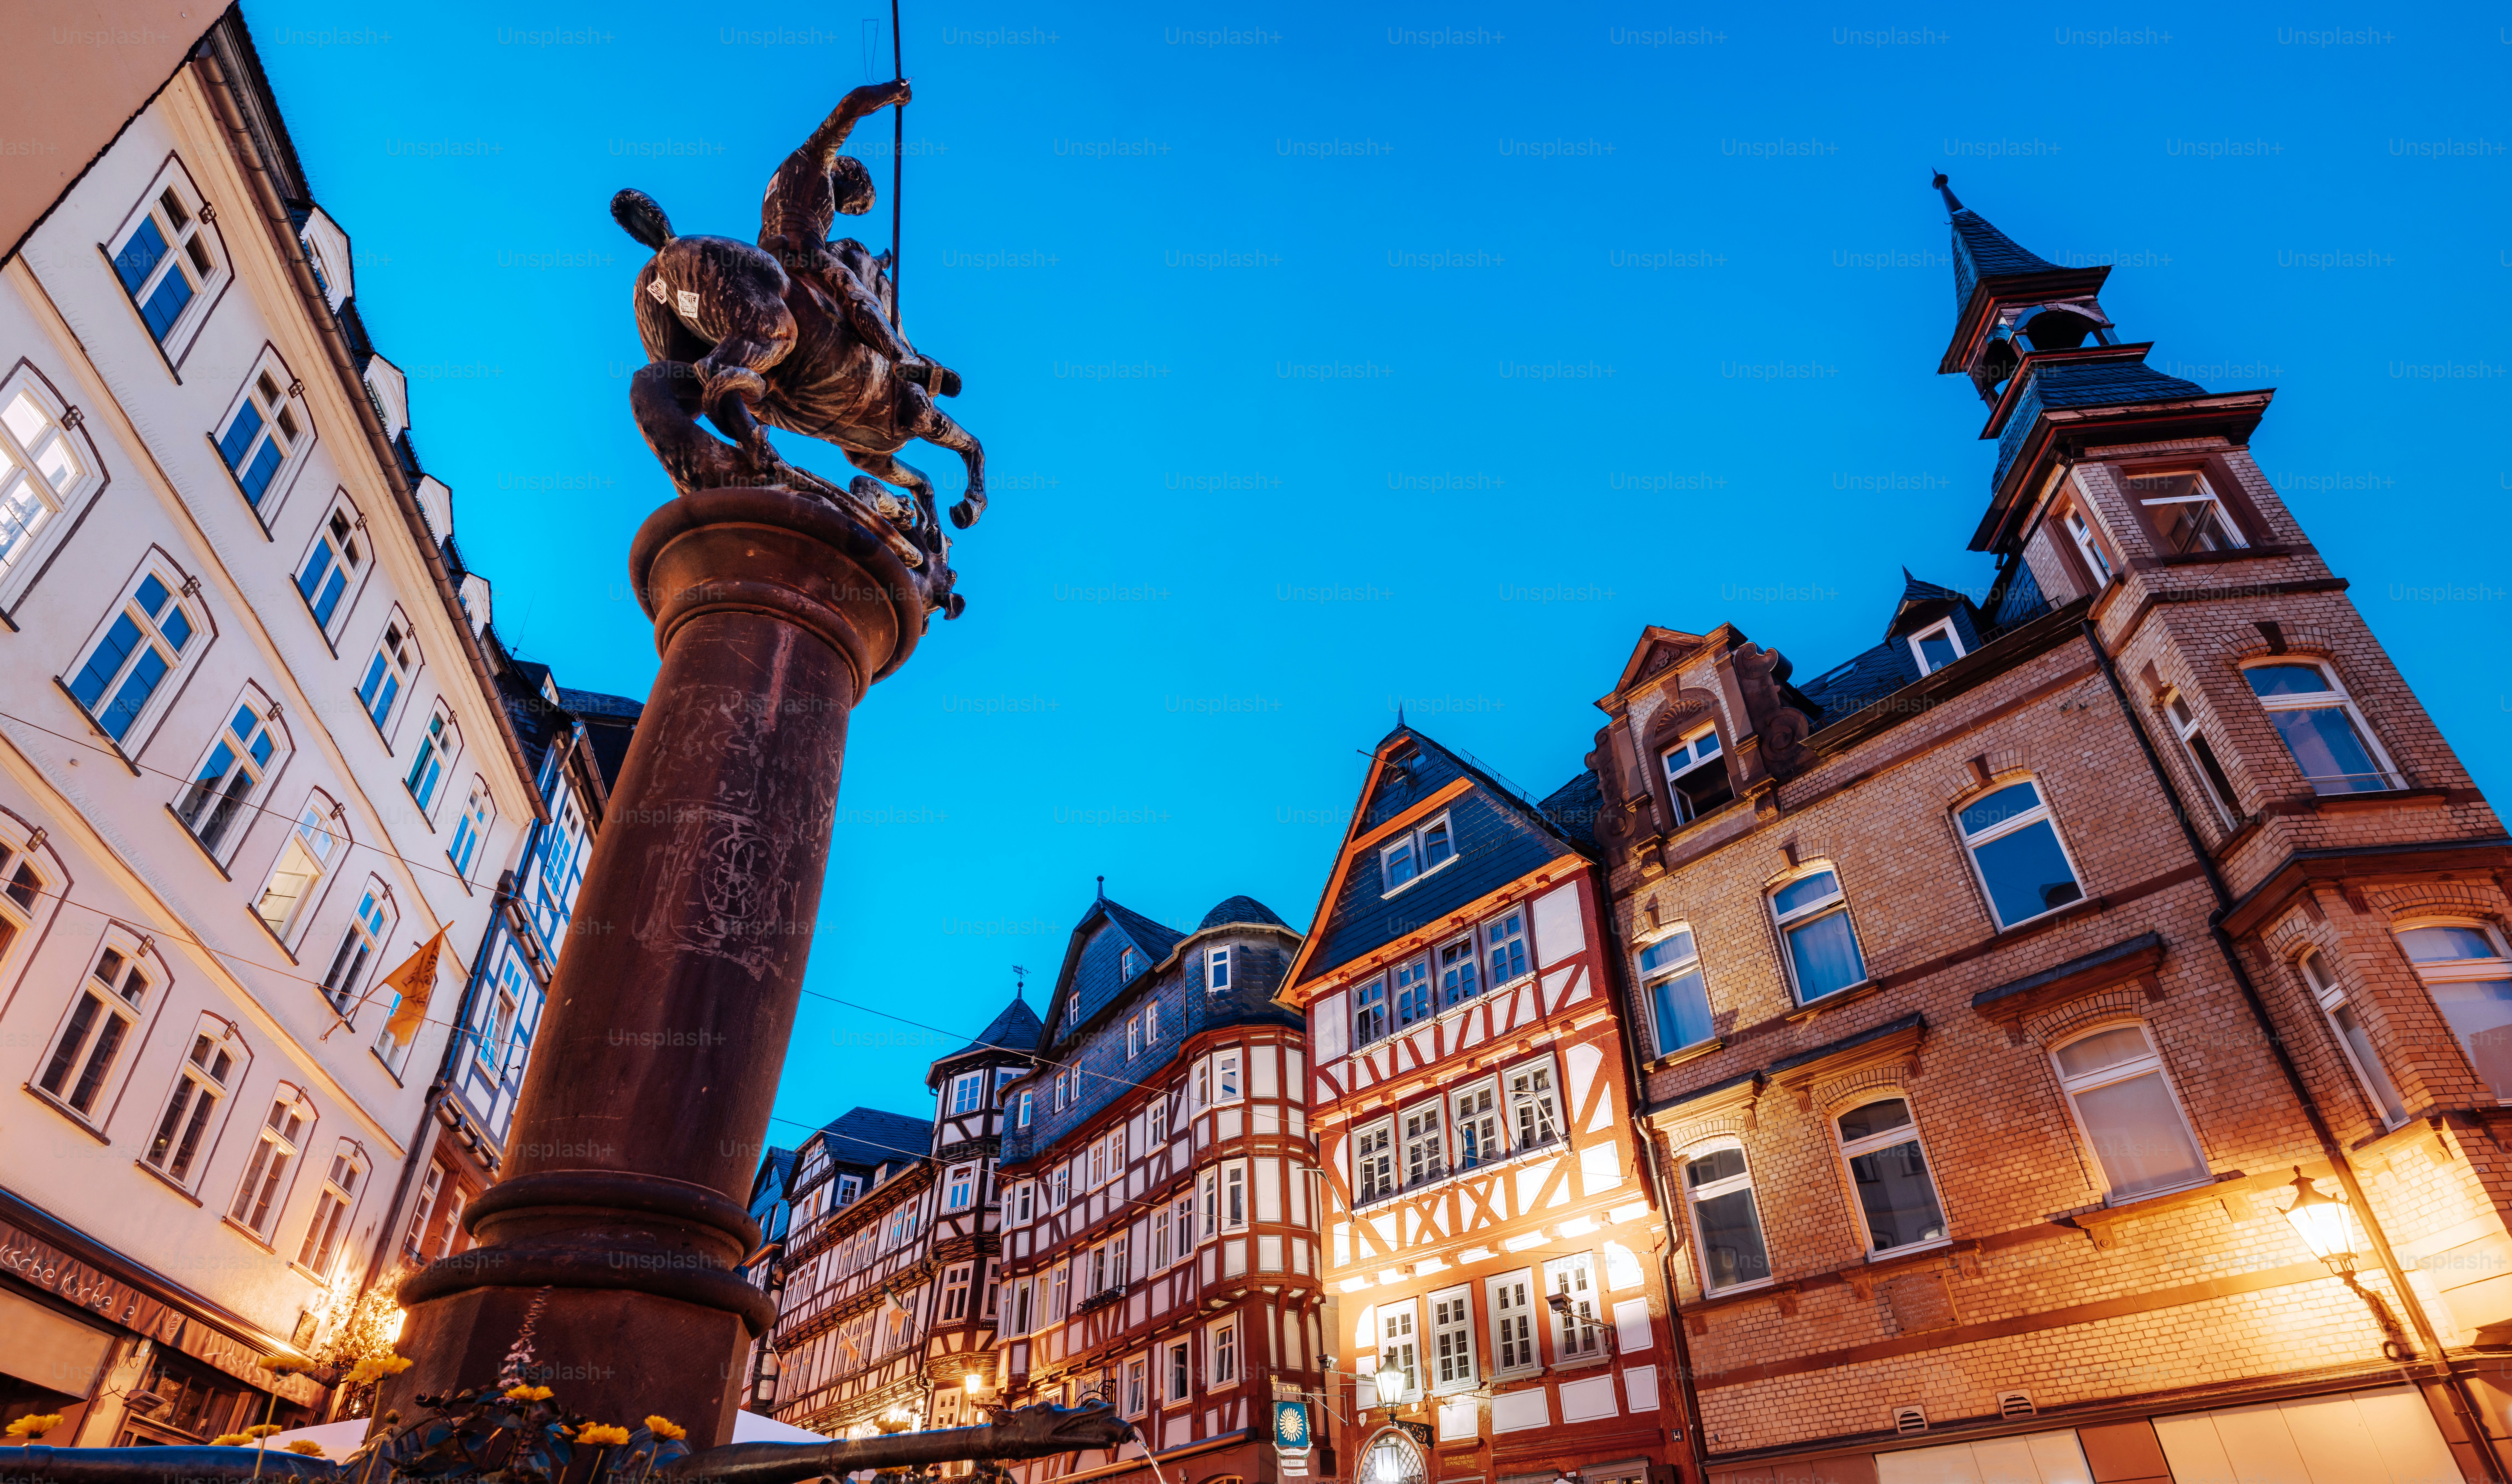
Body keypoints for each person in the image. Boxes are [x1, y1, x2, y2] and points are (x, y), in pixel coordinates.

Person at [757, 80, 959, 396]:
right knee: (858, 297)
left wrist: (877, 261)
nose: (848, 211)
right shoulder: (817, 158)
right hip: (801, 255)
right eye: (855, 205)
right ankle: (903, 358)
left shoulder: (782, 175)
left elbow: (838, 248)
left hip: (765, 255)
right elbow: (850, 107)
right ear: (853, 177)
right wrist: (894, 92)